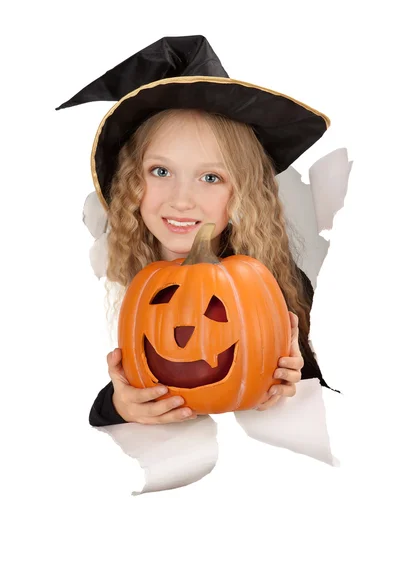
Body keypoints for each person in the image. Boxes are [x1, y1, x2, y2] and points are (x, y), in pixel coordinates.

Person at [56, 34, 337, 429]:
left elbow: (330, 405)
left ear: (240, 193)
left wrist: (295, 376)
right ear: (132, 182)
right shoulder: (107, 272)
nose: (182, 200)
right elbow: (90, 410)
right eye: (161, 171)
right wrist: (121, 405)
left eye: (210, 176)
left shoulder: (279, 282)